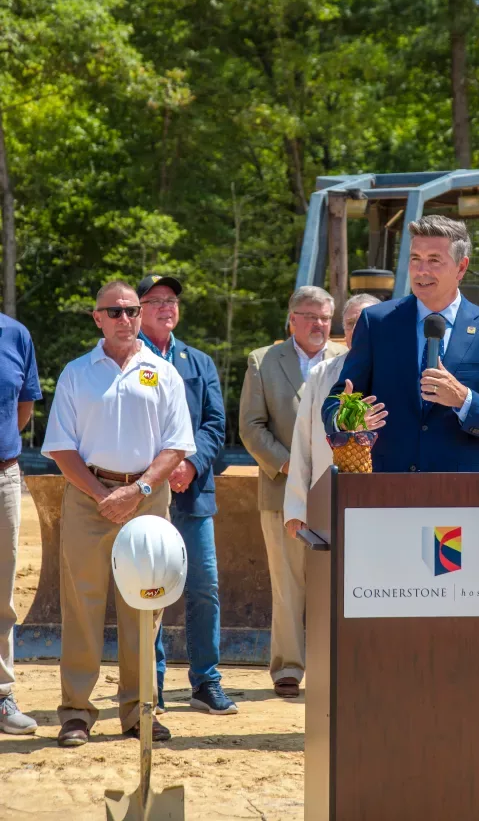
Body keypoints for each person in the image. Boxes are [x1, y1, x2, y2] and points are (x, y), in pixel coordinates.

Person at [42, 280, 196, 747]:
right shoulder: (75, 373)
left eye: (132, 310)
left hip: (147, 499)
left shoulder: (162, 371)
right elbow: (61, 447)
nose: (125, 319)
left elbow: (177, 444)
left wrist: (140, 490)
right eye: (115, 312)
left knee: (145, 608)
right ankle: (75, 712)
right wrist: (100, 494)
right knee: (82, 606)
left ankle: (139, 711)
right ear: (97, 318)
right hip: (88, 495)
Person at [322, 215, 479, 470]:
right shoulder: (377, 323)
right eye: (415, 259)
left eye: (434, 260)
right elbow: (336, 401)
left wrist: (464, 400)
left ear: (461, 268)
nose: (421, 270)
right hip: (386, 490)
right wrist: (344, 418)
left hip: (462, 494)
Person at [137, 274, 236, 717]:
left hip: (193, 493)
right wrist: (157, 471)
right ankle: (149, 687)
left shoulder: (198, 362)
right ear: (137, 309)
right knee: (149, 591)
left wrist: (190, 464)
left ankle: (205, 683)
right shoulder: (125, 359)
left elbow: (216, 423)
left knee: (203, 590)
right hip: (143, 495)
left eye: (171, 300)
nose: (166, 307)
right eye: (155, 300)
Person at [239, 286, 346, 698]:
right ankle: (288, 667)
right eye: (309, 316)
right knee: (288, 582)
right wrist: (291, 465)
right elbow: (251, 426)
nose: (319, 324)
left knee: (335, 583)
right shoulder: (264, 361)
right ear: (291, 319)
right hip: (282, 488)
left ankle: (332, 661)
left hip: (336, 491)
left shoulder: (347, 359)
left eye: (324, 317)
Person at [283, 294, 385, 537]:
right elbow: (303, 440)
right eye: (351, 324)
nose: (358, 330)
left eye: (367, 322)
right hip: (329, 499)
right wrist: (297, 509)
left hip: (384, 500)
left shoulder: (402, 374)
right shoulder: (321, 373)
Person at [0, 314, 42, 736]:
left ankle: (0, 694)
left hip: (3, 475)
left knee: (1, 592)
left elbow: (23, 408)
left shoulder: (15, 335)